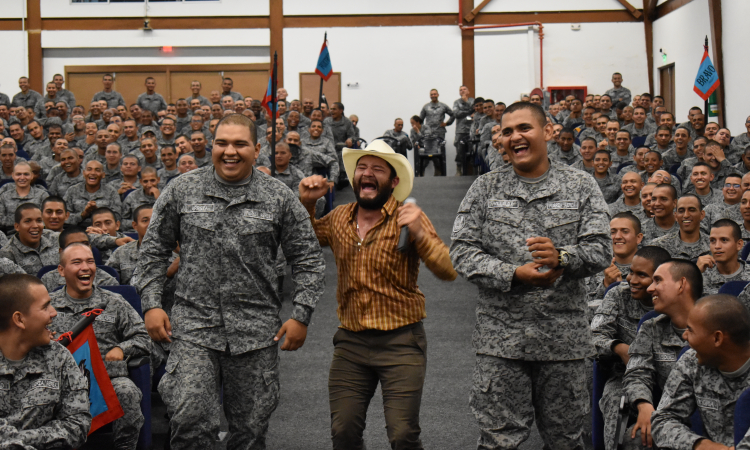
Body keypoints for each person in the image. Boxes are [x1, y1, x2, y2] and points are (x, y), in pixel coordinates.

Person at [133, 113, 326, 449]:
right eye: (222, 143)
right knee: (190, 421)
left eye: (240, 144)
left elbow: (308, 258)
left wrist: (301, 314)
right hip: (193, 328)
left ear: (257, 148)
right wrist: (151, 304)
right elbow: (152, 253)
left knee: (249, 432)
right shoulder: (182, 190)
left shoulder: (278, 197)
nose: (230, 151)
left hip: (254, 331)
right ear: (212, 145)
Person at [450, 102, 612, 449]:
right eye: (507, 131)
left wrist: (563, 259)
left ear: (548, 132)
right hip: (501, 342)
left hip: (563, 342)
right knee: (498, 442)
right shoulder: (486, 188)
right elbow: (462, 252)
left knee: (567, 441)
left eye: (524, 128)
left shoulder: (581, 186)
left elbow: (601, 249)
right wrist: (513, 274)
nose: (514, 137)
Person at [299, 139, 456, 449]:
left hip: (401, 343)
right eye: (362, 167)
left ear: (393, 181)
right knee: (343, 433)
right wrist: (307, 204)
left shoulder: (406, 217)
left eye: (377, 169)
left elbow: (447, 270)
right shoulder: (340, 217)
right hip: (351, 343)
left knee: (402, 436)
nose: (367, 173)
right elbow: (306, 239)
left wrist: (421, 233)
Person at [50, 243, 149, 450]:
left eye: (90, 262)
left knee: (127, 392)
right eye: (77, 262)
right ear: (61, 271)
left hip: (107, 378)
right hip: (61, 380)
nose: (85, 267)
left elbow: (143, 337)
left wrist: (122, 349)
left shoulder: (114, 302)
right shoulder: (47, 306)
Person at [0, 274, 91, 449]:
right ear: (19, 319)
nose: (53, 313)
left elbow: (78, 424)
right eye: (45, 307)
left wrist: (20, 442)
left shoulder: (59, 357)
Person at [592, 245, 670, 450]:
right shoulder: (619, 295)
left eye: (642, 275)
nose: (632, 280)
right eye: (631, 272)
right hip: (625, 378)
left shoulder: (674, 302)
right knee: (618, 404)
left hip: (670, 381)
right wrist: (618, 347)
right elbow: (592, 335)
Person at [651, 294, 750, 449]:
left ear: (717, 338)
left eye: (690, 330)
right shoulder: (692, 360)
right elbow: (663, 420)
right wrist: (700, 445)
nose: (684, 336)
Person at [622, 259, 702, 449]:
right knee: (636, 438)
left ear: (681, 284)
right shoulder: (652, 328)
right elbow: (636, 373)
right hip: (673, 421)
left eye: (657, 281)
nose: (650, 289)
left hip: (719, 420)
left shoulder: (718, 321)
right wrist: (644, 404)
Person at [40, 227, 119, 292]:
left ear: (90, 248)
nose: (80, 248)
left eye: (85, 244)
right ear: (61, 251)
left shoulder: (107, 281)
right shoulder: (48, 280)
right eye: (73, 245)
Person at [0, 204, 60, 274]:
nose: (35, 226)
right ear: (17, 226)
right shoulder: (7, 253)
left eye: (39, 220)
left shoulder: (57, 239)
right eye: (28, 221)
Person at [648, 194, 710, 260]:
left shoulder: (713, 245)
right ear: (676, 216)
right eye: (681, 211)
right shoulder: (658, 246)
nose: (686, 215)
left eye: (692, 210)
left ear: (702, 215)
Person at [696, 219, 750, 295]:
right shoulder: (701, 276)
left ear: (739, 244)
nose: (717, 246)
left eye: (724, 240)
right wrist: (695, 274)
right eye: (713, 240)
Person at [64, 160, 123, 228]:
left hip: (103, 232)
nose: (93, 173)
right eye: (89, 169)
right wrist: (83, 214)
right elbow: (65, 218)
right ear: (84, 173)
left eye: (97, 170)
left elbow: (117, 218)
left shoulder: (111, 192)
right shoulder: (72, 191)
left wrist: (98, 213)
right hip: (77, 232)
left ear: (103, 175)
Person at [108, 205, 153, 285]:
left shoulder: (174, 252)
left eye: (155, 220)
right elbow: (107, 283)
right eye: (145, 220)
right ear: (135, 226)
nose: (151, 224)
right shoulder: (121, 252)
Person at [0, 161, 49, 231]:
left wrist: (20, 221)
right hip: (9, 236)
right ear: (13, 176)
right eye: (18, 174)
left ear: (32, 176)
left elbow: (46, 219)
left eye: (26, 174)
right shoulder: (4, 197)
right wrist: (27, 220)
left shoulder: (42, 195)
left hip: (37, 234)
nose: (22, 177)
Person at [121, 167, 159, 231]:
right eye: (145, 181)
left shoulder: (166, 195)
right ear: (141, 182)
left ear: (158, 180)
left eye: (152, 180)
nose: (149, 185)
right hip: (136, 233)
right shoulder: (132, 196)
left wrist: (159, 199)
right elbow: (122, 221)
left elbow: (171, 219)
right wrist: (140, 224)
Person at [453, 85, 474, 175]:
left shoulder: (473, 101)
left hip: (471, 129)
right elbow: (456, 113)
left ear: (468, 91)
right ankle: (459, 169)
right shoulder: (456, 102)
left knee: (472, 149)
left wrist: (467, 102)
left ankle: (473, 169)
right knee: (459, 150)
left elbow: (475, 110)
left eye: (464, 89)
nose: (462, 91)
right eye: (460, 90)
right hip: (460, 130)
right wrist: (469, 111)